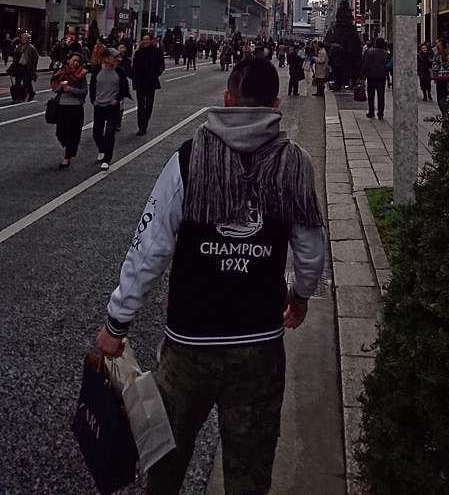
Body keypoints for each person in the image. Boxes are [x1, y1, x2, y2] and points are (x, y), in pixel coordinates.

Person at [95, 57, 325, 495]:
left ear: (226, 98)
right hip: (259, 342)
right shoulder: (294, 162)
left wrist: (116, 322)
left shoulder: (189, 158)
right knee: (249, 466)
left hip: (189, 343)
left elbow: (150, 247)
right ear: (275, 103)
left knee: (166, 462)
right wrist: (299, 295)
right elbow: (311, 250)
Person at [90, 48, 131, 170]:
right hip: (99, 105)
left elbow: (124, 88)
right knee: (97, 133)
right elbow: (92, 86)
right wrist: (93, 100)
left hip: (112, 106)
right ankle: (101, 149)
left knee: (109, 133)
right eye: (115, 57)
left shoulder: (119, 71)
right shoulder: (97, 71)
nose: (117, 60)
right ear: (106, 58)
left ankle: (107, 159)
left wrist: (117, 99)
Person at [50, 53, 88, 168]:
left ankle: (67, 157)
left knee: (72, 133)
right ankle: (68, 146)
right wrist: (61, 87)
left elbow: (84, 92)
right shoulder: (61, 73)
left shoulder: (82, 74)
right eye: (74, 60)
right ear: (68, 61)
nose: (76, 63)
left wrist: (70, 89)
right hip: (62, 106)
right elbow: (55, 89)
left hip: (75, 107)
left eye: (78, 61)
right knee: (60, 133)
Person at [131, 32, 165, 136]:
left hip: (151, 82)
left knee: (149, 105)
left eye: (147, 39)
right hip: (140, 82)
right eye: (144, 39)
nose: (145, 41)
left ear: (151, 40)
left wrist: (155, 74)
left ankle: (145, 120)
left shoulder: (157, 52)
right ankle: (142, 127)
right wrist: (134, 77)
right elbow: (134, 67)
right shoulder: (138, 53)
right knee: (141, 105)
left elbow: (161, 65)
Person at [362, 37, 389, 120]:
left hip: (371, 76)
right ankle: (380, 113)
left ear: (375, 44)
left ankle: (371, 112)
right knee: (381, 96)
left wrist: (363, 74)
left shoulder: (370, 52)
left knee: (371, 95)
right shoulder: (385, 53)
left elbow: (366, 64)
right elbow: (387, 66)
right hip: (381, 76)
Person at [431, 37, 449, 116]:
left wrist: (435, 77)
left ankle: (445, 114)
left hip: (441, 79)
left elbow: (435, 67)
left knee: (441, 98)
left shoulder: (437, 55)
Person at [10, 33, 39, 101]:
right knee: (17, 82)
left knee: (27, 82)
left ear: (28, 39)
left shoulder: (31, 48)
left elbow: (36, 57)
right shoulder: (19, 47)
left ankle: (31, 93)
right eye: (22, 38)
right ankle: (18, 97)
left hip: (27, 67)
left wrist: (33, 67)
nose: (22, 39)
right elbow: (14, 55)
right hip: (19, 67)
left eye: (24, 38)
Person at [116, 43, 133, 131]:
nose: (122, 49)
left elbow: (130, 73)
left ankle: (118, 122)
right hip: (112, 84)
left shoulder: (127, 61)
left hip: (122, 84)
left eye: (124, 48)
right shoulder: (112, 59)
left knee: (120, 103)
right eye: (120, 48)